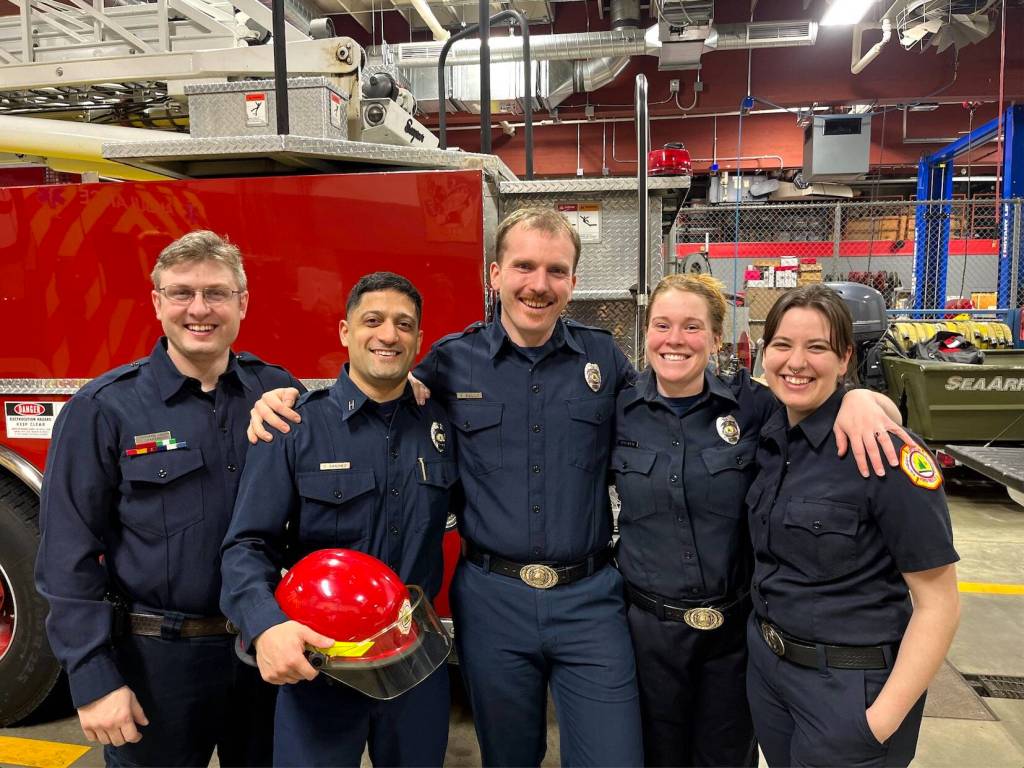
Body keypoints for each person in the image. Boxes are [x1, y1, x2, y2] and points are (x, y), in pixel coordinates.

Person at [613, 274, 913, 768]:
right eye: (662, 325)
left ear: (715, 338)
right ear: (645, 332)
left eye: (692, 327)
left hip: (735, 640)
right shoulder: (618, 410)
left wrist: (865, 398)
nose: (674, 339)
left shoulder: (756, 408)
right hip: (647, 637)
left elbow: (820, 404)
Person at [35, 230, 297, 767]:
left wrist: (409, 386)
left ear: (242, 303)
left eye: (217, 293)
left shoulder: (276, 393)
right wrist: (93, 676)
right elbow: (67, 556)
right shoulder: (104, 409)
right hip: (156, 664)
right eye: (181, 293)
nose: (199, 309)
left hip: (264, 655)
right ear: (157, 303)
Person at [219, 272, 457, 767]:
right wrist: (265, 628)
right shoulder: (293, 426)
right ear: (345, 331)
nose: (388, 335)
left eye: (403, 324)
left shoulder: (441, 425)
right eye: (373, 320)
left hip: (413, 664)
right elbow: (246, 546)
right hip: (321, 668)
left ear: (418, 340)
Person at [745, 283, 960, 767]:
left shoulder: (885, 454)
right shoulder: (772, 432)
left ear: (845, 358)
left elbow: (939, 604)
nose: (796, 362)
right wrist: (868, 397)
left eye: (816, 347)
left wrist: (877, 723)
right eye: (783, 345)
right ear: (765, 353)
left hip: (849, 690)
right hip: (771, 675)